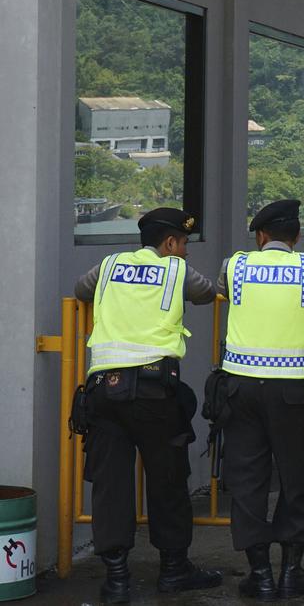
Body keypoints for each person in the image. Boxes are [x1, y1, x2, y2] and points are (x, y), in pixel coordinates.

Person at [72, 208, 222, 604]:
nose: (187, 252)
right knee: (168, 480)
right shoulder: (176, 271)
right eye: (184, 244)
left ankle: (117, 578)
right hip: (155, 393)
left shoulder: (108, 265)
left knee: (111, 484)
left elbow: (82, 289)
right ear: (170, 243)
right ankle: (173, 570)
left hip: (104, 392)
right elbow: (208, 292)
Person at [214, 200, 304, 599]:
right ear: (297, 238)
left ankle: (261, 574)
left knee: (247, 479)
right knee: (296, 475)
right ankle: (292, 571)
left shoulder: (235, 266)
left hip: (241, 387)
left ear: (260, 237)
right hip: (290, 390)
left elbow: (221, 293)